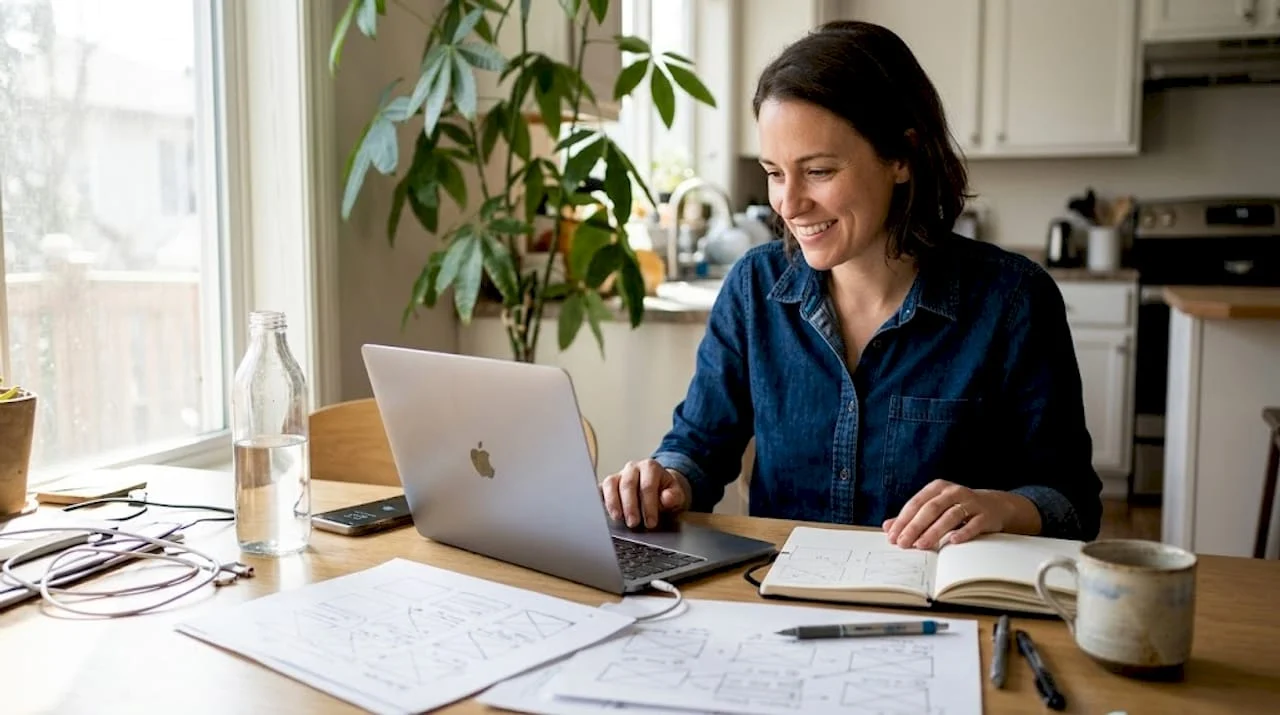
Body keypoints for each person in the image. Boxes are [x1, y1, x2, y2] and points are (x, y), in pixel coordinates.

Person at [600, 20, 1102, 549]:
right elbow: (699, 448)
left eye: (817, 171)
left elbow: (1072, 503)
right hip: (776, 604)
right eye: (774, 173)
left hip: (940, 613)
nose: (788, 205)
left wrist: (999, 507)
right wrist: (663, 481)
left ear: (902, 157)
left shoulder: (1013, 300)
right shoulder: (755, 287)